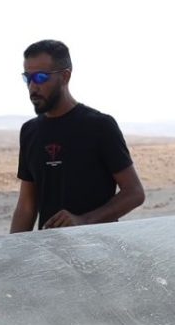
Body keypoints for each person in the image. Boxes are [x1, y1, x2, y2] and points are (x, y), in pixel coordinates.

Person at [10, 39, 145, 233]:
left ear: (65, 76)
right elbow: (26, 206)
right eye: (27, 78)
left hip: (98, 247)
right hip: (50, 248)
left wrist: (84, 220)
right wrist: (13, 249)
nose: (32, 87)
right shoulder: (30, 131)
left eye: (40, 77)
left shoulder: (99, 126)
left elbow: (134, 193)